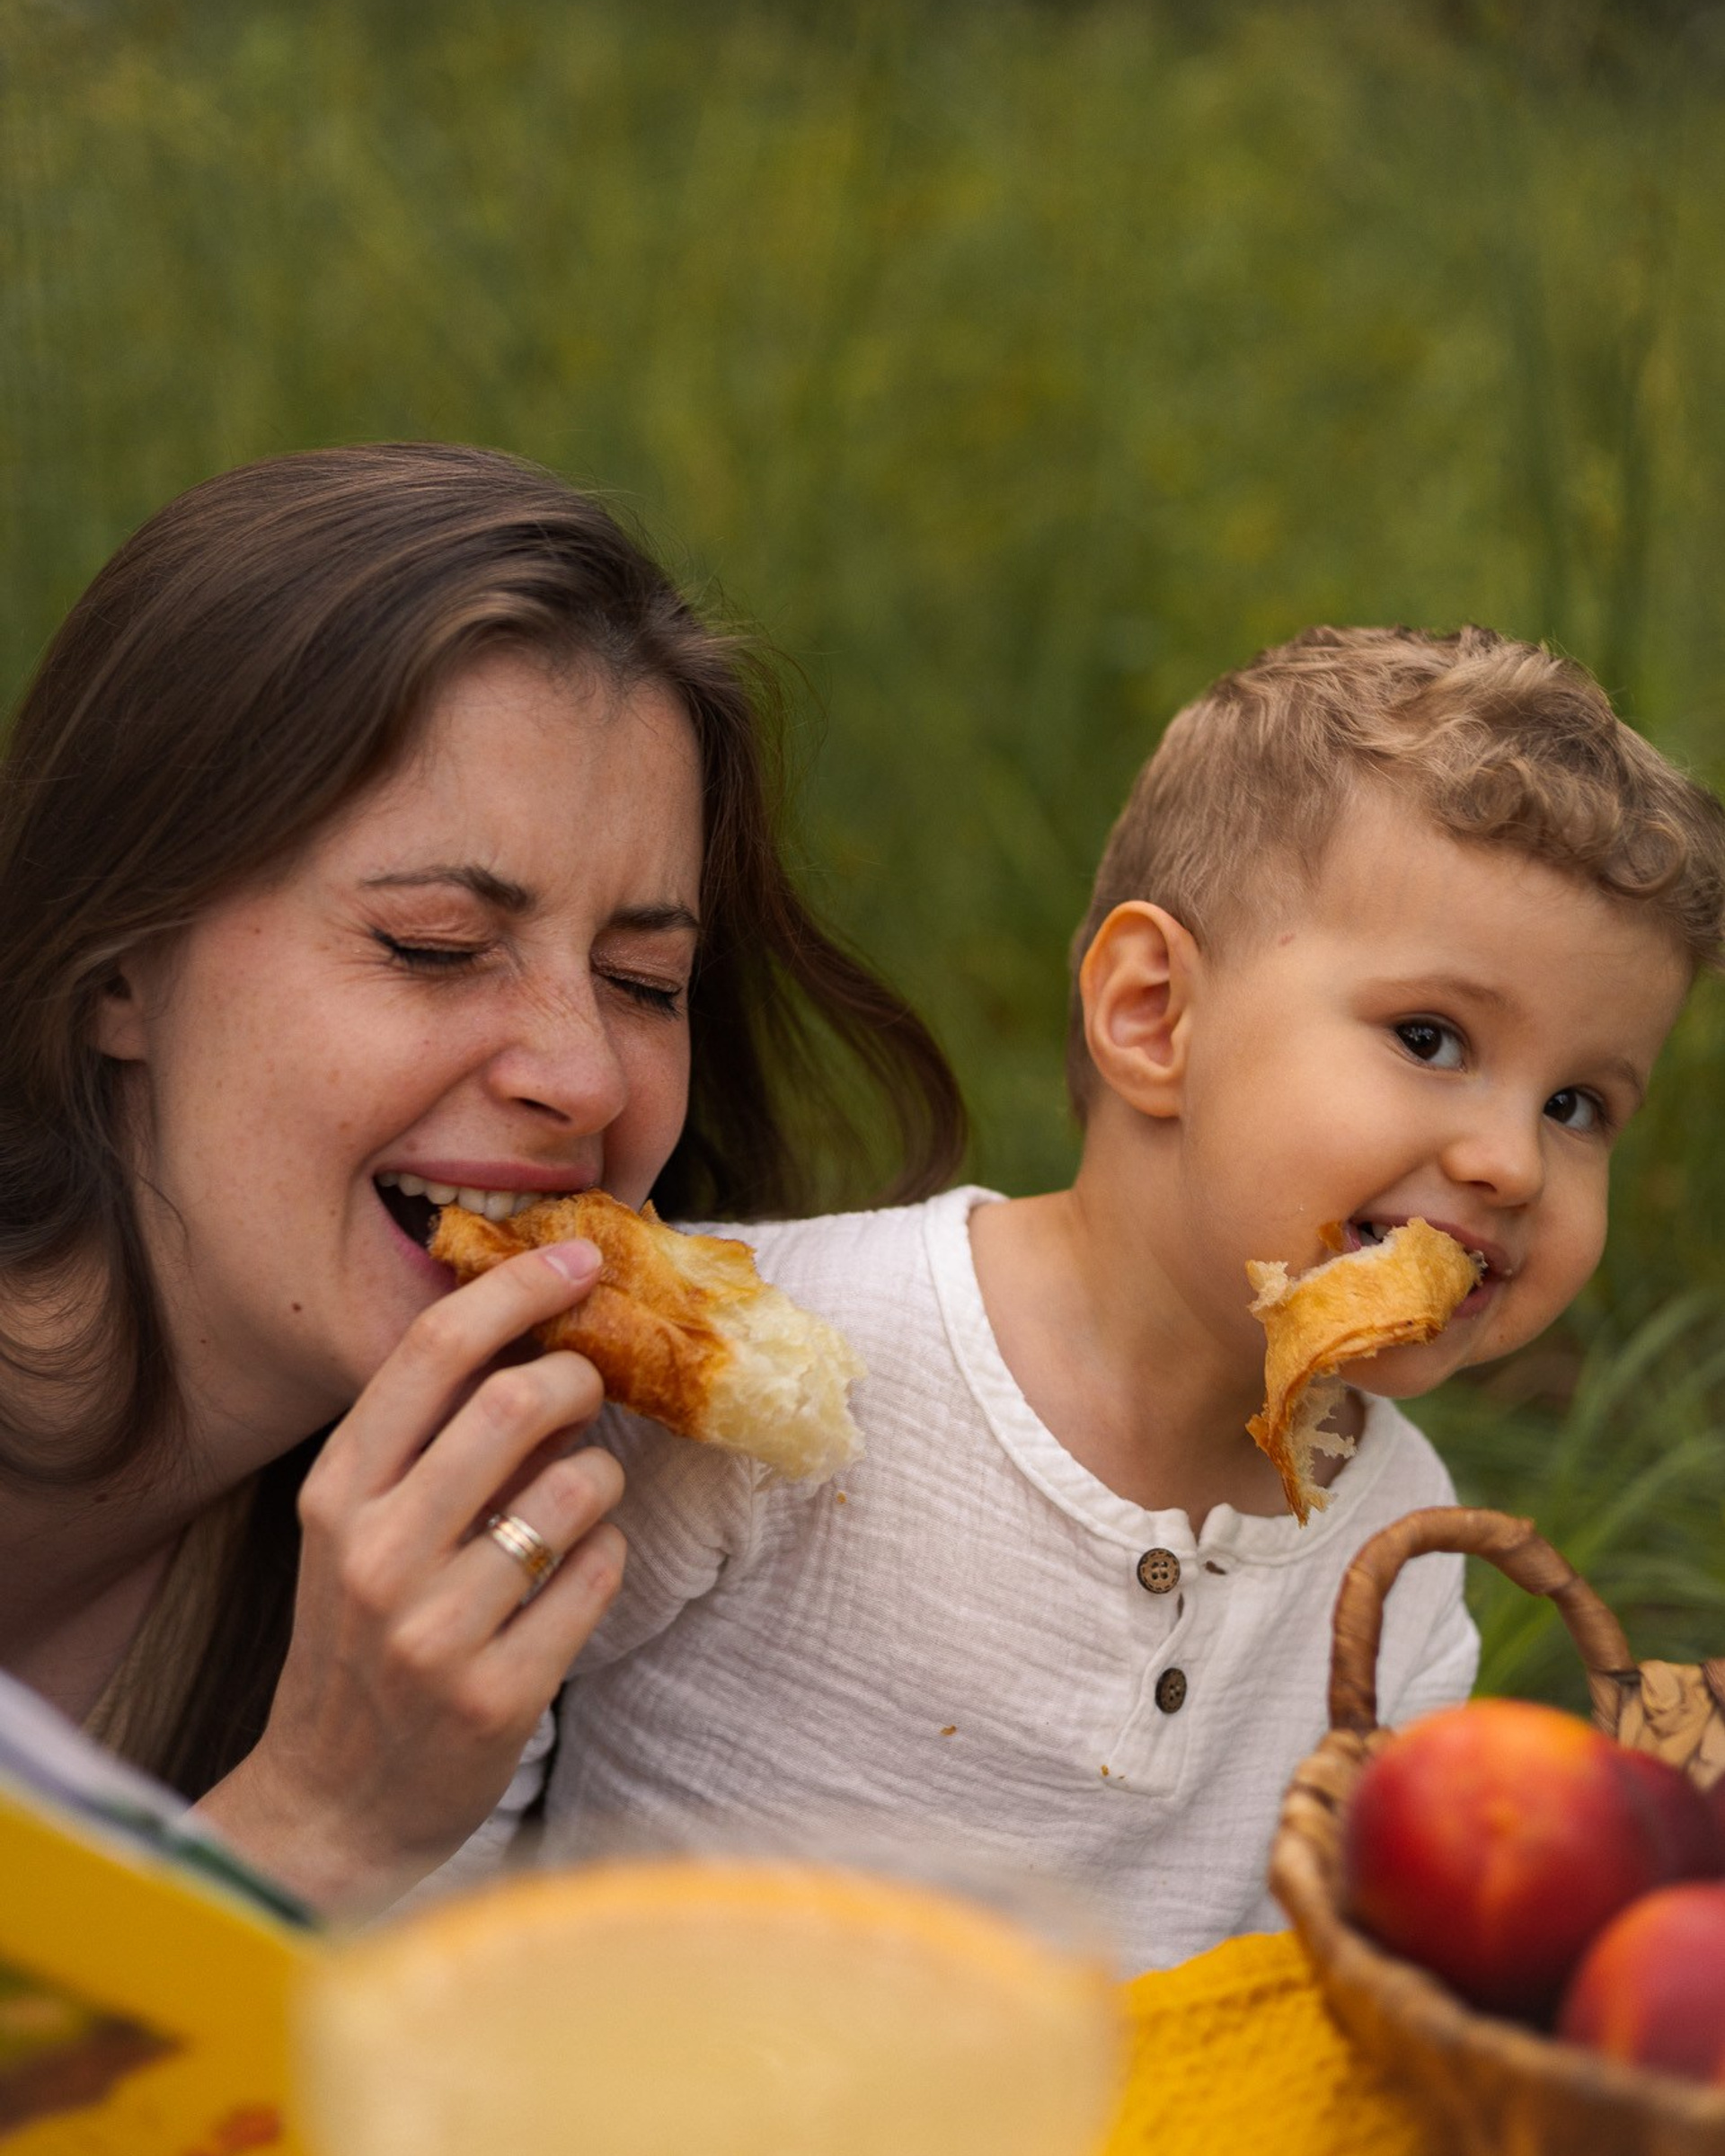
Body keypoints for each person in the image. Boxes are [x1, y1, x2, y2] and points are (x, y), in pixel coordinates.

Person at [535, 625, 1725, 1972]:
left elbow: (1332, 1966)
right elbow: (461, 1749)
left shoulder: (1404, 1548)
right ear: (1156, 1016)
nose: (1512, 1162)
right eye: (1431, 1038)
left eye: (1579, 1106)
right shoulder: (781, 1354)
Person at [0, 442, 964, 1915]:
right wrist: (313, 1822)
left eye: (645, 982)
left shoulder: (526, 1568)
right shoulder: (367, 1724)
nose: (584, 1078)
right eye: (434, 947)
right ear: (118, 969)